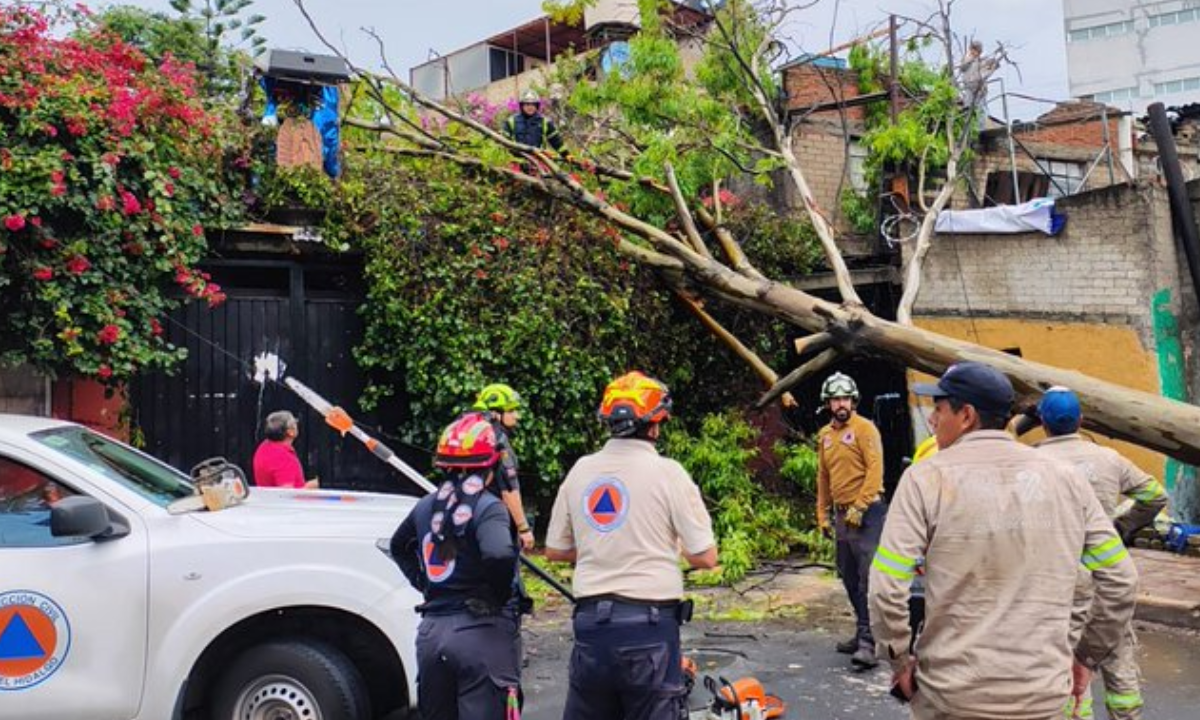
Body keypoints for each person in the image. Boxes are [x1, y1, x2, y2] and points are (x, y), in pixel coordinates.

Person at [869, 362, 1139, 720]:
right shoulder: (1066, 479)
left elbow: (886, 586)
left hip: (951, 697)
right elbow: (1121, 580)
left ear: (966, 415)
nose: (933, 420)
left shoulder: (924, 479)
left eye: (939, 408)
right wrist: (1086, 656)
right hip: (1042, 697)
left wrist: (899, 660)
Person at [545, 370, 717, 720]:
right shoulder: (669, 474)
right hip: (649, 630)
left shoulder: (580, 470)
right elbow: (704, 556)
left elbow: (556, 550)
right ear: (655, 426)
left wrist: (603, 544)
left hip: (591, 629)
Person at [1036, 387, 1167, 720]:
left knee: (1066, 654)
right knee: (1116, 643)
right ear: (1081, 420)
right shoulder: (1109, 458)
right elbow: (1154, 495)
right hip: (1108, 570)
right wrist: (1121, 528)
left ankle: (1075, 713)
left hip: (1060, 575)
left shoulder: (1032, 461)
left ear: (1042, 422)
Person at [390, 413, 521, 720]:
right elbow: (499, 554)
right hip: (480, 632)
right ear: (492, 464)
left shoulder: (425, 505)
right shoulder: (489, 509)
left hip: (432, 633)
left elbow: (398, 546)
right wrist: (499, 596)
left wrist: (425, 583)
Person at [815, 371, 887, 669]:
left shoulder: (865, 429)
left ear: (853, 400)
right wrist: (822, 512)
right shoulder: (825, 436)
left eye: (845, 398)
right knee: (847, 575)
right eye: (835, 399)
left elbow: (875, 470)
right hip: (843, 514)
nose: (840, 404)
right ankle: (861, 632)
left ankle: (869, 643)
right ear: (828, 403)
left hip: (868, 512)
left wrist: (859, 506)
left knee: (866, 577)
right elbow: (823, 476)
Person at [473, 383, 535, 551]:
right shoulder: (499, 443)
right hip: (497, 523)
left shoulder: (474, 438)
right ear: (496, 413)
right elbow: (508, 489)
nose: (517, 416)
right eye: (511, 410)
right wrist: (524, 529)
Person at [252, 411, 318, 489]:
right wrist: (314, 485)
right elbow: (286, 496)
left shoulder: (263, 447)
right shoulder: (284, 459)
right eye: (295, 422)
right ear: (291, 432)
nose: (297, 424)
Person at [505, 89, 567, 157]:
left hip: (539, 161)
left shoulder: (544, 122)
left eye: (533, 104)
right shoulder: (511, 121)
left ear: (536, 106)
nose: (530, 107)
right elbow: (503, 142)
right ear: (522, 105)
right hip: (517, 162)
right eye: (527, 104)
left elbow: (556, 141)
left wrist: (566, 155)